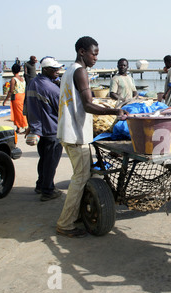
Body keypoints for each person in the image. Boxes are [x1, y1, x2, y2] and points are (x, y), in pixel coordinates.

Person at [56, 36, 128, 238]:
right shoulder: (80, 71)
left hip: (70, 131)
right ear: (81, 52)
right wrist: (115, 112)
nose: (96, 57)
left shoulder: (69, 70)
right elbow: (87, 105)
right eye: (93, 53)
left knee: (85, 175)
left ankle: (77, 215)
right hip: (76, 134)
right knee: (80, 178)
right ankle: (65, 223)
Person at [26, 57, 64, 201]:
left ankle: (40, 185)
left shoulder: (33, 83)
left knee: (44, 159)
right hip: (52, 129)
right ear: (46, 69)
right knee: (51, 161)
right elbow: (62, 109)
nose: (58, 72)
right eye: (55, 70)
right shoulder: (51, 88)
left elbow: (27, 106)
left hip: (39, 129)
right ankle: (48, 191)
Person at [3, 63, 27, 133]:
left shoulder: (14, 79)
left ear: (12, 71)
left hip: (17, 97)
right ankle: (18, 127)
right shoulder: (22, 79)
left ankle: (24, 127)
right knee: (19, 112)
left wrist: (5, 100)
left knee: (19, 113)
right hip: (23, 96)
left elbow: (10, 91)